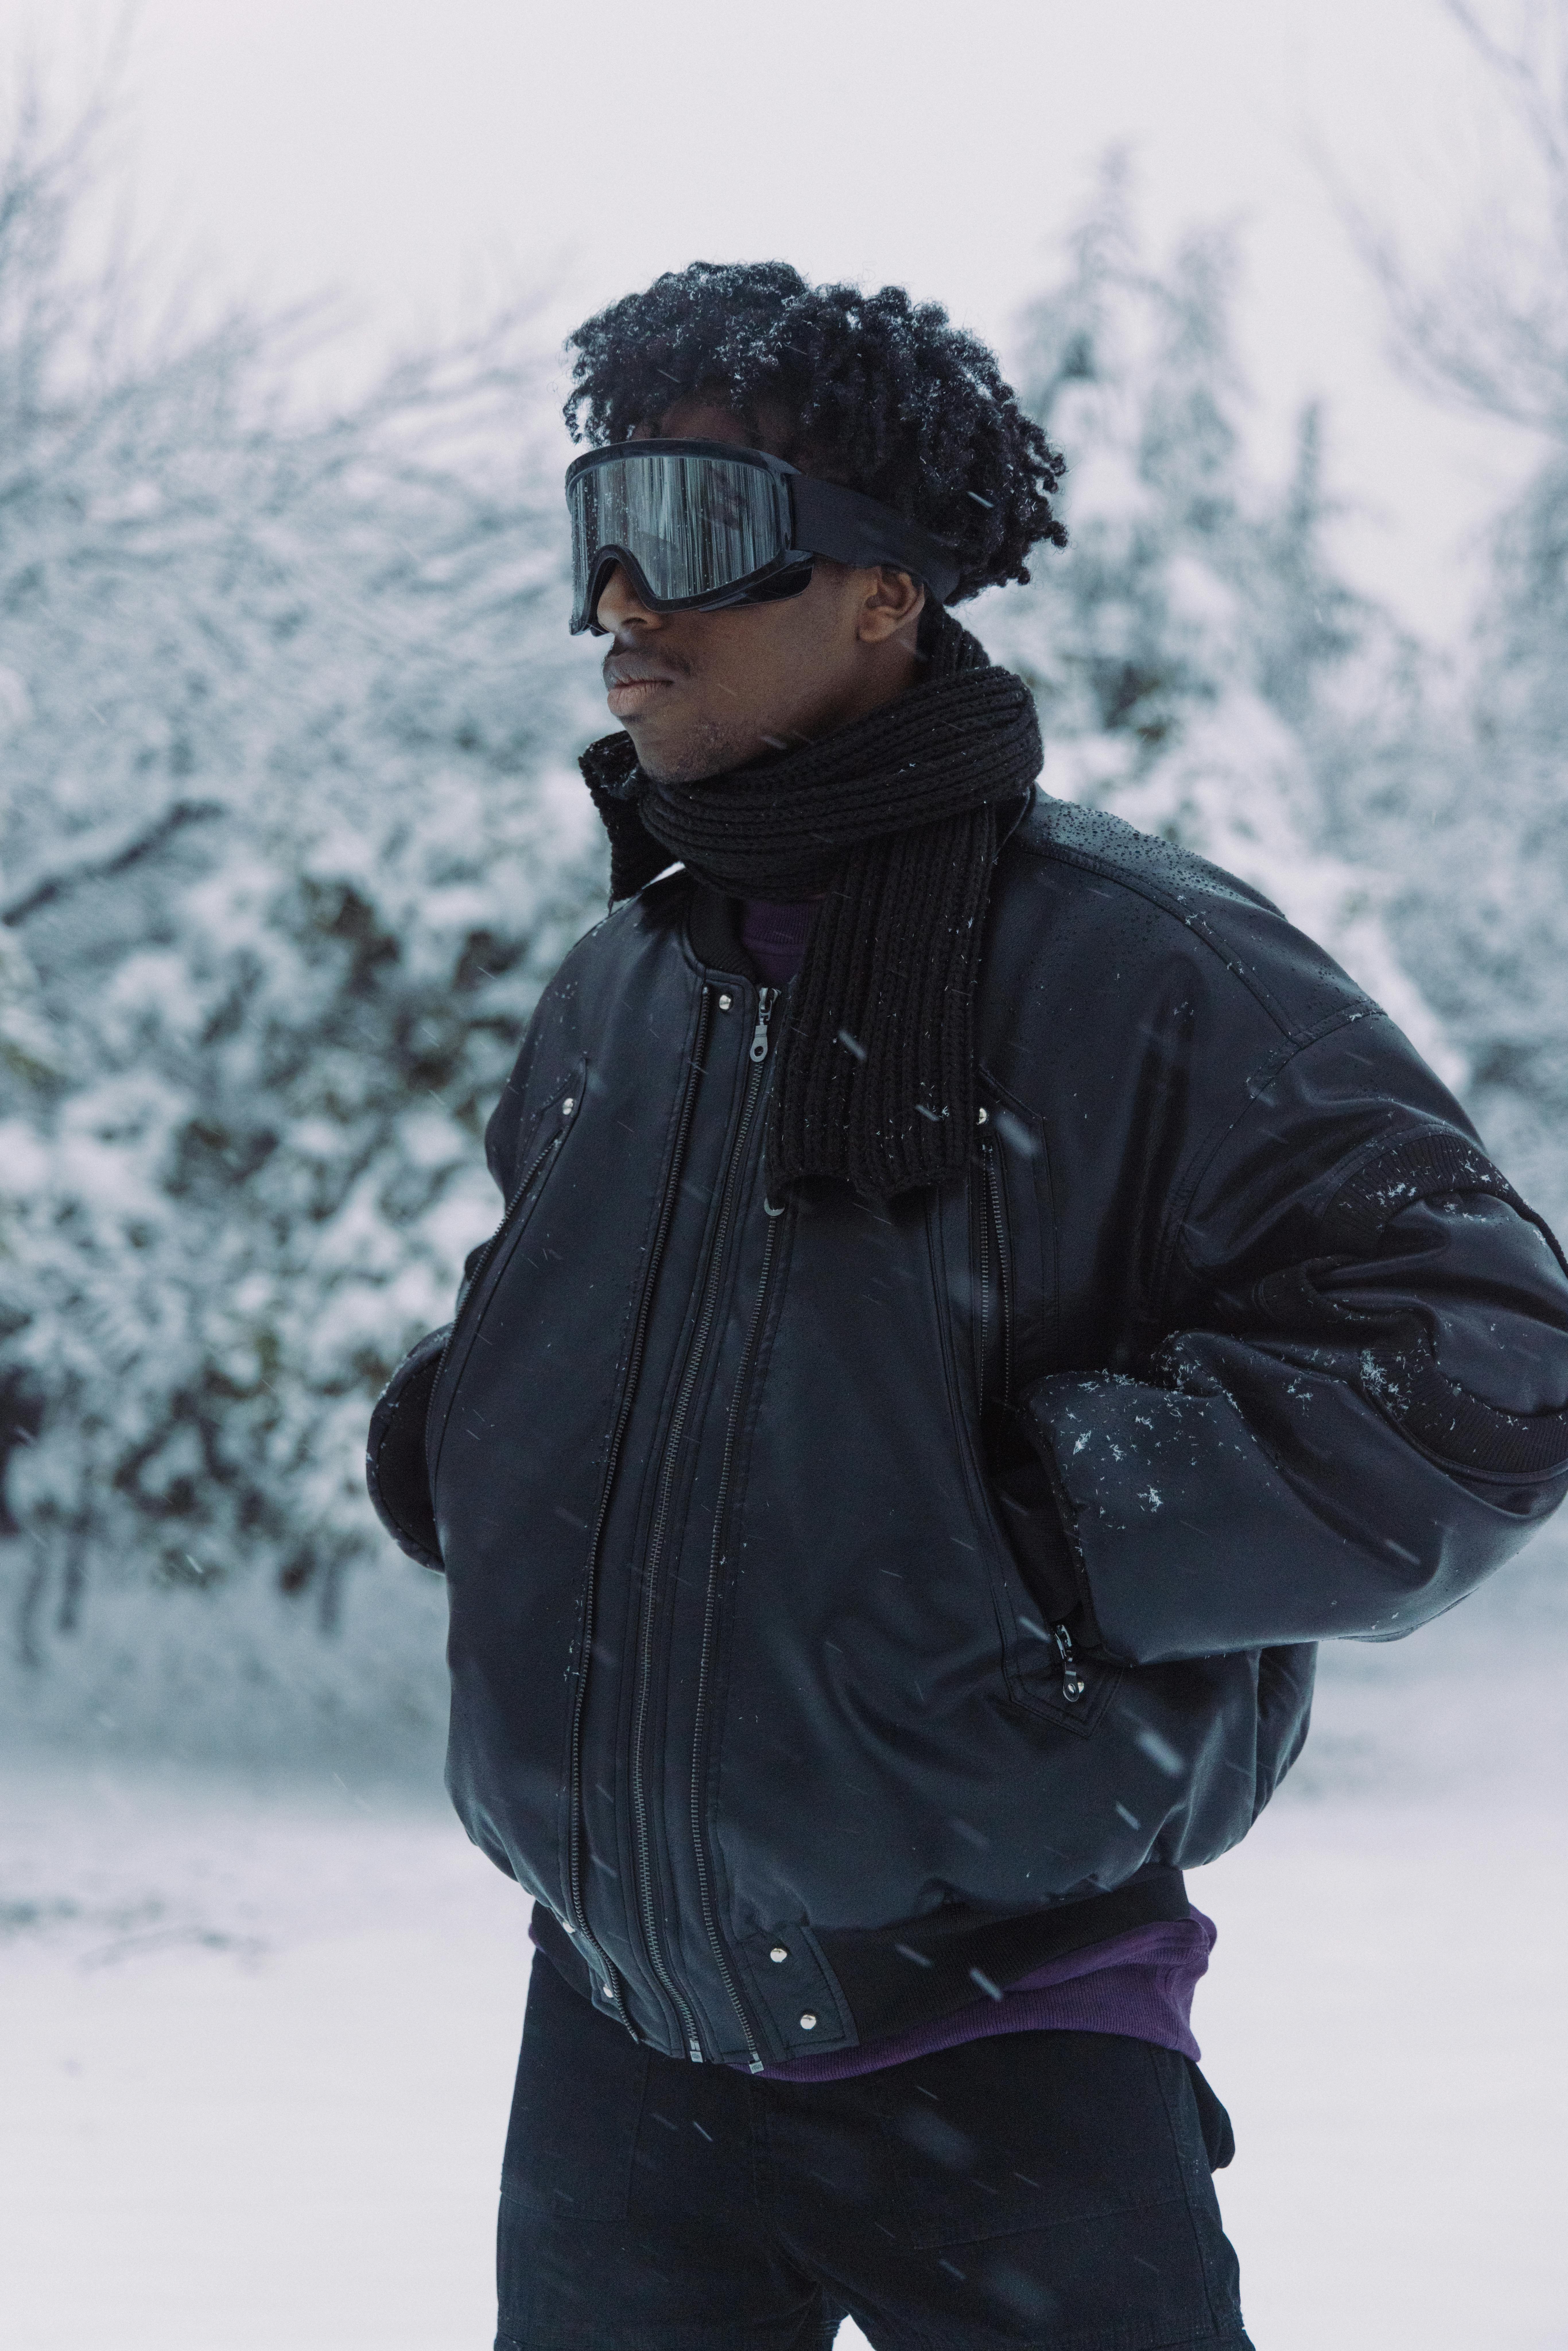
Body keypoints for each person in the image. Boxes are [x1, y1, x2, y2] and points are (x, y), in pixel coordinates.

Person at [367, 262, 1568, 2351]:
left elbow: (1486, 1364)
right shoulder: (627, 989)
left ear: (885, 595)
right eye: (601, 524)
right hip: (622, 2043)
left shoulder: (1142, 967)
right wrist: (468, 1430)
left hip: (1008, 2059)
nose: (626, 597)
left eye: (705, 525)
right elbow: (596, 1318)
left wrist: (1041, 1520)